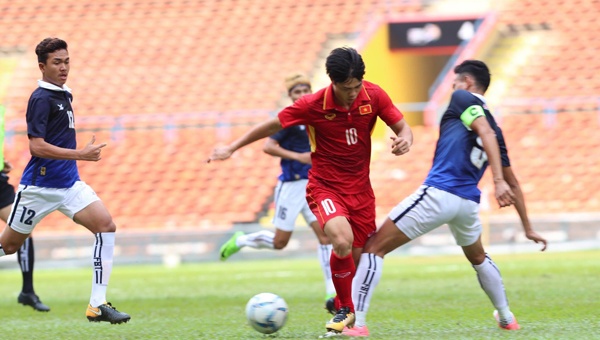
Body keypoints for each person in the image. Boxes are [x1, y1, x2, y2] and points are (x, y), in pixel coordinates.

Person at [209, 47, 413, 336]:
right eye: (346, 88)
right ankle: (344, 309)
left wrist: (405, 140)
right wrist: (231, 147)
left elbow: (404, 127)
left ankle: (346, 315)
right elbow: (270, 126)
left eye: (356, 86)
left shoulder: (374, 95)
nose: (353, 93)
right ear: (333, 82)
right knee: (340, 240)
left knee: (355, 257)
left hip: (362, 191)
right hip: (324, 186)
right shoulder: (312, 105)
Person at [345, 60, 548, 337]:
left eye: (454, 83)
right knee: (478, 256)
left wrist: (497, 181)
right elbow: (514, 180)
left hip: (439, 194)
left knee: (372, 248)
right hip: (467, 204)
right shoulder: (496, 129)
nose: (451, 89)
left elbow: (496, 160)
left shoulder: (463, 99)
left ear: (466, 83)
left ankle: (358, 325)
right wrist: (527, 227)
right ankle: (506, 317)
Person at [0, 37, 130, 324]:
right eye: (57, 62)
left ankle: (98, 305)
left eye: (66, 61)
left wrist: (76, 161)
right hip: (39, 188)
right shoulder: (41, 98)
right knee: (8, 247)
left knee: (106, 226)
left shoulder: (63, 94)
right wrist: (80, 154)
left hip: (69, 185)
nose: (63, 67)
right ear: (42, 66)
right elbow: (36, 146)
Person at [219, 73, 336, 301]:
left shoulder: (317, 116)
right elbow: (268, 146)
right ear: (290, 96)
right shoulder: (289, 119)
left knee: (326, 237)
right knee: (279, 242)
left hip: (313, 185)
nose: (302, 95)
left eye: (305, 90)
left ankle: (332, 291)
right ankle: (241, 240)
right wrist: (298, 157)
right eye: (297, 92)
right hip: (291, 186)